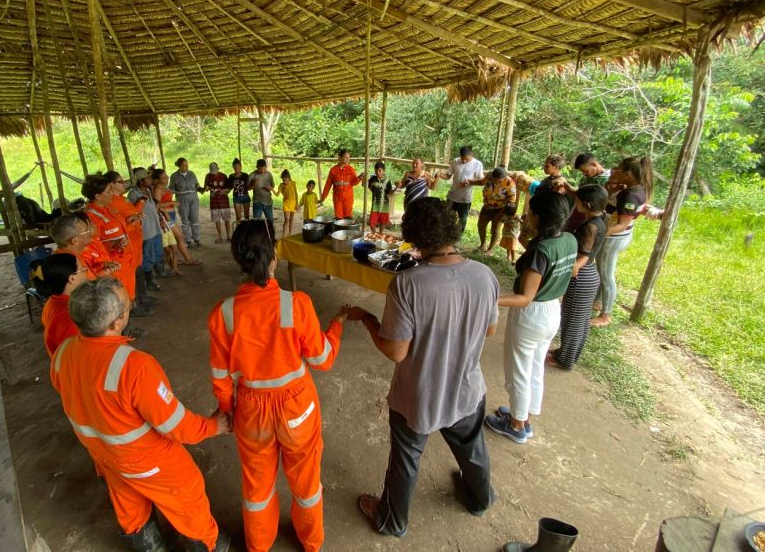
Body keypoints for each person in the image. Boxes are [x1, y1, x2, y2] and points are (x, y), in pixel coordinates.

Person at [348, 197, 499, 537]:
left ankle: (392, 520)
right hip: (466, 389)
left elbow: (396, 351)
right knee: (472, 448)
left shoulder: (408, 284)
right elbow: (489, 329)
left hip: (419, 396)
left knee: (406, 459)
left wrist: (368, 319)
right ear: (452, 229)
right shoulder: (484, 275)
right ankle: (480, 497)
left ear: (413, 236)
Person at [51, 278, 231, 552]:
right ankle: (207, 545)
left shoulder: (62, 353)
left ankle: (150, 546)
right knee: (187, 493)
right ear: (115, 324)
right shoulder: (134, 367)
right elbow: (176, 425)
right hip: (146, 459)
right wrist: (214, 426)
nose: (131, 306)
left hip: (103, 453)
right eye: (127, 306)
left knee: (128, 501)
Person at [209, 221, 350, 552]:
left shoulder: (223, 314)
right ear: (274, 255)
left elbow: (220, 375)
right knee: (305, 480)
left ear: (238, 259)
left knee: (257, 486)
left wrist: (228, 411)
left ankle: (259, 544)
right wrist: (336, 328)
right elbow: (322, 360)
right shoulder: (296, 303)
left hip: (250, 412)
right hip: (297, 410)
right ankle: (311, 541)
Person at [485, 192, 577, 444]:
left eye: (531, 211)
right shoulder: (568, 239)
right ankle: (524, 418)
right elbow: (549, 264)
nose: (527, 214)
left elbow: (525, 297)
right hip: (552, 311)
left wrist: (490, 299)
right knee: (534, 367)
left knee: (518, 371)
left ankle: (515, 426)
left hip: (532, 314)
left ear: (540, 216)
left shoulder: (542, 250)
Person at [550, 185, 608, 369]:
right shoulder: (600, 220)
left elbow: (582, 257)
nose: (575, 203)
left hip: (581, 276)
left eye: (578, 200)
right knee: (580, 320)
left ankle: (565, 360)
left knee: (572, 321)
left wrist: (566, 274)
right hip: (590, 275)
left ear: (587, 204)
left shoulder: (590, 226)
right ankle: (569, 354)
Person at [593, 156, 653, 327]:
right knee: (601, 270)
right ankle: (597, 302)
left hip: (613, 238)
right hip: (615, 237)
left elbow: (621, 224)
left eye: (618, 168)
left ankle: (606, 315)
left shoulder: (630, 195)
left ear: (627, 173)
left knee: (606, 274)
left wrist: (599, 232)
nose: (613, 170)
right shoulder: (631, 189)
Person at [81, 173, 147, 314]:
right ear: (98, 196)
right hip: (114, 268)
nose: (111, 194)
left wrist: (129, 221)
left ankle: (127, 331)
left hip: (125, 263)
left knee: (127, 299)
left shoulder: (109, 209)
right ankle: (122, 333)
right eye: (108, 191)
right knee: (119, 304)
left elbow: (118, 229)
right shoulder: (91, 218)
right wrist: (113, 246)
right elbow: (91, 247)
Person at [106, 170, 155, 308]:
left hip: (136, 241)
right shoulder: (110, 203)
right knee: (130, 276)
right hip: (127, 245)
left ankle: (142, 299)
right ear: (111, 185)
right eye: (120, 182)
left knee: (137, 272)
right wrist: (130, 220)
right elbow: (116, 229)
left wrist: (139, 205)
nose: (124, 184)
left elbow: (131, 214)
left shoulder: (122, 198)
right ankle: (135, 305)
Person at [31, 253, 88, 358]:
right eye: (82, 269)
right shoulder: (72, 318)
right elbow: (81, 357)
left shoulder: (52, 302)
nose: (85, 270)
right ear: (72, 279)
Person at [128, 168, 169, 287]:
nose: (150, 179)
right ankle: (149, 281)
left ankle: (160, 272)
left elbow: (153, 208)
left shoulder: (148, 190)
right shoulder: (133, 194)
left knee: (158, 252)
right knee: (148, 255)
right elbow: (131, 213)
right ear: (141, 181)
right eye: (147, 178)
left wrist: (160, 219)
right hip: (145, 230)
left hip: (155, 227)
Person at [152, 169, 201, 267]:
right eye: (164, 178)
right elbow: (156, 206)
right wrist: (172, 203)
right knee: (180, 237)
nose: (167, 179)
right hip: (165, 218)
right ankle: (187, 259)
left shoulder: (164, 187)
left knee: (176, 239)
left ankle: (178, 259)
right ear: (157, 180)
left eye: (167, 177)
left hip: (171, 216)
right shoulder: (158, 189)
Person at [438, 146, 485, 239]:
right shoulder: (455, 161)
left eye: (466, 159)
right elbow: (448, 176)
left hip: (465, 198)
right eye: (462, 159)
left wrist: (470, 182)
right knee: (446, 216)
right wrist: (440, 174)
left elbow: (482, 182)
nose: (463, 161)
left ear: (471, 155)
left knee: (462, 220)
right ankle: (446, 236)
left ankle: (457, 238)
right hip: (452, 195)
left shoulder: (477, 164)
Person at [468, 167, 517, 254]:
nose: (496, 182)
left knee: (495, 229)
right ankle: (482, 245)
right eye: (494, 180)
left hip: (501, 209)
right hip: (487, 206)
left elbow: (511, 201)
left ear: (504, 178)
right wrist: (469, 181)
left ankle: (490, 249)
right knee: (481, 225)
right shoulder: (489, 176)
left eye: (498, 181)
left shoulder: (510, 183)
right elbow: (481, 182)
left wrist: (502, 213)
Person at [320, 148, 364, 219]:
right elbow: (328, 185)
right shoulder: (333, 170)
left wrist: (359, 178)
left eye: (348, 157)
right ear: (340, 158)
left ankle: (347, 230)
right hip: (337, 197)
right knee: (339, 218)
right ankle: (339, 229)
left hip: (348, 197)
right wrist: (323, 197)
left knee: (348, 217)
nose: (347, 159)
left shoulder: (351, 169)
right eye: (345, 157)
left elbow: (354, 183)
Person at [169, 157, 203, 248]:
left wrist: (202, 189)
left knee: (195, 218)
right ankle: (188, 240)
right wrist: (170, 199)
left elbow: (197, 186)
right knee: (185, 220)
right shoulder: (174, 176)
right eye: (184, 165)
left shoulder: (192, 174)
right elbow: (171, 189)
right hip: (181, 198)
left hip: (194, 197)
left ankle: (197, 238)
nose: (186, 167)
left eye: (187, 165)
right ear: (179, 166)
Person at [203, 162, 232, 243]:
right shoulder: (208, 176)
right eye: (212, 172)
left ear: (218, 169)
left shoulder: (223, 176)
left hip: (224, 202)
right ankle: (220, 236)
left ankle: (228, 235)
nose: (214, 174)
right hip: (214, 202)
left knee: (227, 219)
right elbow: (204, 188)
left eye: (215, 171)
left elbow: (229, 188)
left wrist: (225, 191)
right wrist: (207, 188)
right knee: (217, 220)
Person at [368, 162, 394, 232]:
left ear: (383, 170)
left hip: (384, 205)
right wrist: (364, 180)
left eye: (380, 170)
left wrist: (396, 187)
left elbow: (389, 193)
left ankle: (380, 235)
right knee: (371, 223)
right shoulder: (372, 179)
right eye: (376, 171)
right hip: (375, 204)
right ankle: (374, 235)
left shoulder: (388, 181)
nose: (378, 172)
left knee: (383, 222)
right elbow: (370, 188)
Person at [229, 158, 251, 231]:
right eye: (235, 168)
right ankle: (239, 230)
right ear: (233, 168)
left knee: (247, 215)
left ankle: (247, 229)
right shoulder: (231, 176)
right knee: (238, 216)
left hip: (245, 196)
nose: (237, 169)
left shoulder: (245, 175)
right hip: (236, 197)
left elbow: (248, 186)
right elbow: (230, 187)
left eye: (238, 168)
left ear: (241, 167)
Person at [275, 169, 298, 238]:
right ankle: (283, 236)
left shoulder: (293, 183)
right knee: (286, 219)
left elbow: (296, 194)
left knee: (291, 219)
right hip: (286, 203)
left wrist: (297, 204)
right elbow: (277, 194)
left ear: (289, 178)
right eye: (283, 180)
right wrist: (271, 189)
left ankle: (290, 234)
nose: (284, 182)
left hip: (293, 203)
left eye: (286, 180)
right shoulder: (281, 185)